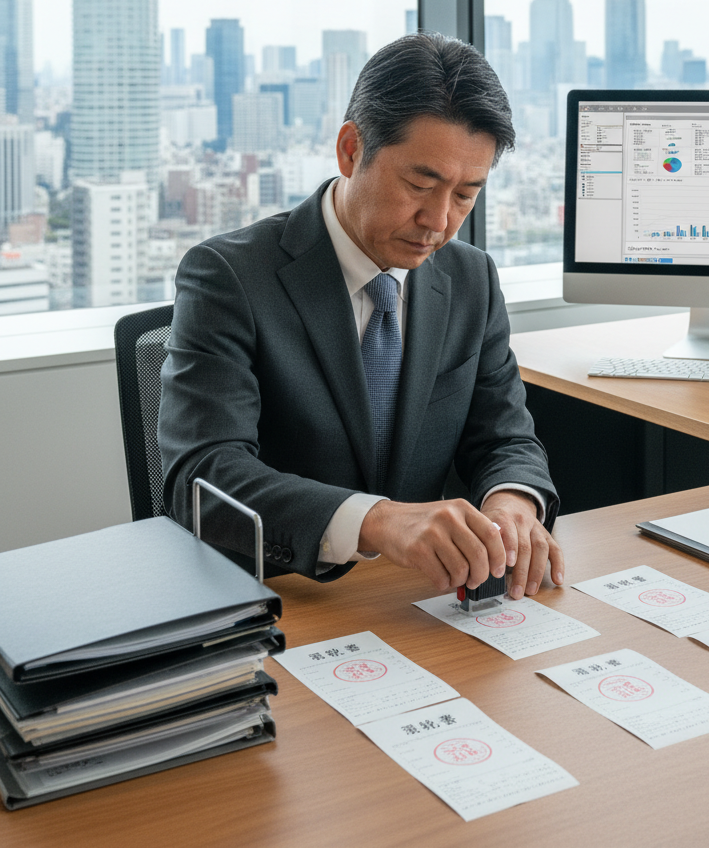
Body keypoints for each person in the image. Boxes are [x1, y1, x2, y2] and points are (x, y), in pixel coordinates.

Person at [159, 32, 563, 600]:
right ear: (351, 149)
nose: (439, 221)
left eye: (467, 194)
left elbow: (505, 436)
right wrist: (376, 521)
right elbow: (204, 476)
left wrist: (514, 499)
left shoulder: (470, 279)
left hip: (411, 601)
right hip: (278, 602)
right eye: (420, 184)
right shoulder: (228, 277)